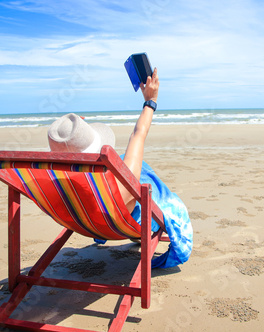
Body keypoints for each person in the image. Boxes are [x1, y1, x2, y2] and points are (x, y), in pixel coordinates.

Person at [47, 68, 192, 268]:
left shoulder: (53, 182)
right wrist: (151, 101)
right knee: (141, 175)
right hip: (117, 220)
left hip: (82, 220)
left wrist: (74, 139)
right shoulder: (119, 186)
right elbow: (138, 134)